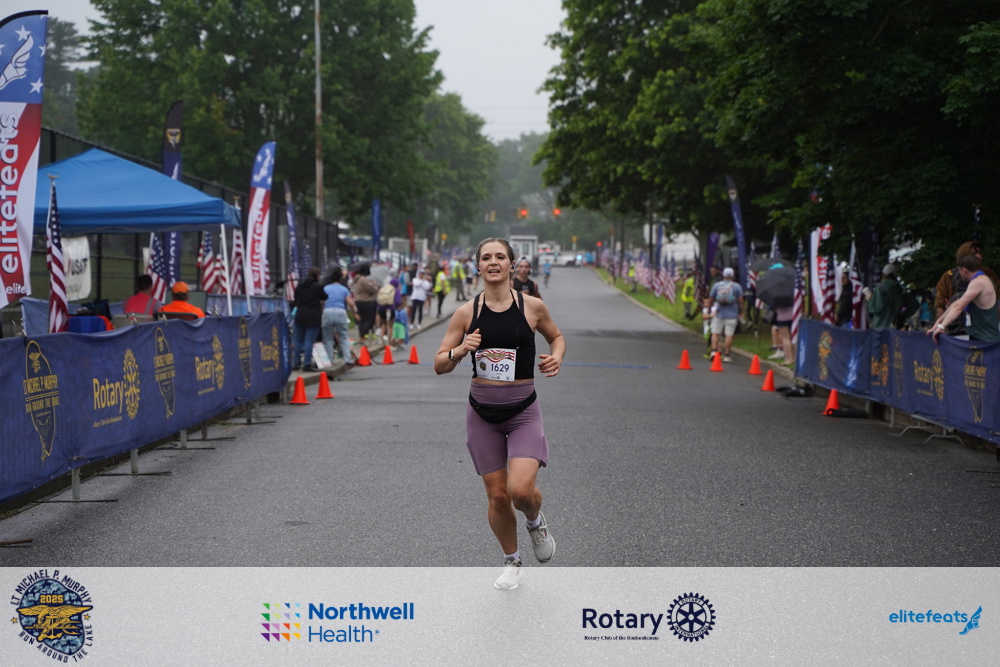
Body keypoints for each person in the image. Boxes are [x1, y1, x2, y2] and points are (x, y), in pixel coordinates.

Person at [434, 237, 565, 590]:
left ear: (512, 264)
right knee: (497, 495)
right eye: (487, 258)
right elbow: (439, 363)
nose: (494, 262)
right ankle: (512, 561)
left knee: (520, 491)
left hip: (523, 412)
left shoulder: (532, 307)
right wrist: (461, 349)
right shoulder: (466, 313)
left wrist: (556, 356)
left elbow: (557, 337)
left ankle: (535, 522)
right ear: (478, 266)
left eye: (501, 257)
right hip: (482, 414)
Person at [929, 252, 1000, 342]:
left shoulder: (978, 282)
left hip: (986, 341)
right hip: (981, 339)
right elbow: (956, 304)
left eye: (959, 270)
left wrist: (941, 327)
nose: (959, 274)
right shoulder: (981, 280)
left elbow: (958, 307)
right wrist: (938, 322)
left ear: (964, 270)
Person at [291, 267, 327, 371]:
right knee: (309, 340)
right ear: (316, 275)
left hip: (300, 315)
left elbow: (295, 299)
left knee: (297, 340)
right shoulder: (317, 286)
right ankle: (306, 364)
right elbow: (324, 297)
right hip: (313, 316)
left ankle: (295, 363)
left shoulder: (299, 286)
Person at [322, 266, 359, 365]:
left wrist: (322, 312)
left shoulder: (325, 288)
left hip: (327, 311)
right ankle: (347, 359)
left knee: (328, 338)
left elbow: (321, 302)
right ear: (340, 278)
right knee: (344, 336)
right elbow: (350, 303)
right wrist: (354, 314)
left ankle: (329, 360)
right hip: (340, 312)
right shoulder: (344, 289)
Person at [707, 267, 744, 362]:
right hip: (732, 314)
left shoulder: (717, 285)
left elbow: (711, 299)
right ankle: (727, 355)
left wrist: (709, 309)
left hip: (719, 313)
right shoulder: (737, 286)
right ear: (732, 276)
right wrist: (741, 312)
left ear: (723, 275)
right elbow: (740, 301)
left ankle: (714, 351)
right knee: (729, 334)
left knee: (715, 333)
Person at [865, 263, 903, 329]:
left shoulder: (880, 288)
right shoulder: (898, 289)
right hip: (894, 325)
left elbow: (876, 308)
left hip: (880, 325)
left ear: (883, 275)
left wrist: (869, 300)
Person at [351, 264, 379, 342]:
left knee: (363, 319)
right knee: (369, 320)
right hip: (365, 301)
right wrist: (374, 283)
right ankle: (363, 335)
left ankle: (362, 335)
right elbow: (372, 289)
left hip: (359, 301)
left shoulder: (358, 279)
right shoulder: (363, 279)